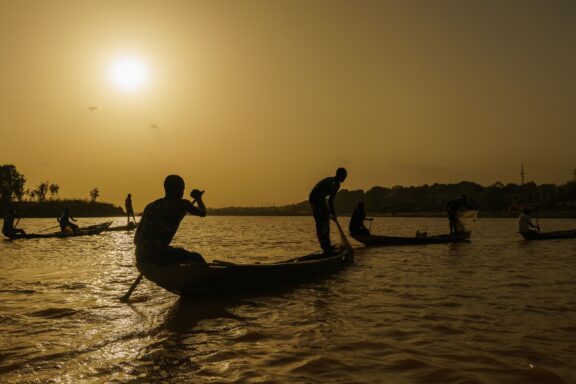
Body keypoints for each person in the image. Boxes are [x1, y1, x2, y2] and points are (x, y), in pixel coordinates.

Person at [134, 174, 207, 265]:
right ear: (179, 189)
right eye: (183, 188)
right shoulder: (182, 204)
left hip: (140, 257)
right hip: (157, 255)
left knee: (177, 253)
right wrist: (198, 199)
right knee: (197, 258)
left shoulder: (150, 206)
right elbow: (203, 213)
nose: (183, 191)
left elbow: (136, 240)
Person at [309, 167, 347, 254]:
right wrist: (327, 211)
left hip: (319, 200)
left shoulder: (337, 184)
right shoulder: (332, 182)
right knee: (321, 222)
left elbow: (331, 200)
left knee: (325, 221)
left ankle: (326, 244)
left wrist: (332, 212)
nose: (344, 178)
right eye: (343, 176)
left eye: (345, 176)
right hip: (314, 199)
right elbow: (321, 196)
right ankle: (325, 245)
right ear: (338, 175)